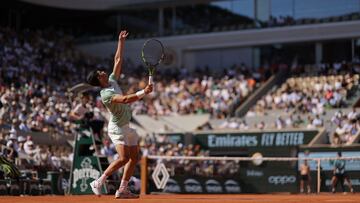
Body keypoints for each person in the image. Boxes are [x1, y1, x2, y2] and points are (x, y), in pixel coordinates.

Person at [86, 30, 153, 199]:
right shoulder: (105, 94)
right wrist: (143, 92)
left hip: (126, 126)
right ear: (98, 80)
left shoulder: (112, 80)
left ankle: (123, 189)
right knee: (123, 158)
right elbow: (124, 100)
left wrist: (120, 41)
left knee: (134, 157)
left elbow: (117, 59)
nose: (102, 71)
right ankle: (98, 182)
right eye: (99, 73)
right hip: (117, 129)